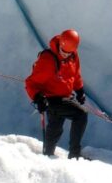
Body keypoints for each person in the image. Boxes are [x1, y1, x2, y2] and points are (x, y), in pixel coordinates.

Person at [25, 29, 88, 159]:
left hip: (65, 96)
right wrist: (37, 97)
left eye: (69, 53)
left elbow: (75, 74)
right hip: (51, 99)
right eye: (63, 52)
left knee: (55, 128)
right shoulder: (48, 59)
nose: (65, 55)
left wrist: (80, 90)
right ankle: (75, 155)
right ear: (60, 43)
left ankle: (48, 155)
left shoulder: (73, 55)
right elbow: (31, 83)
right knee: (81, 115)